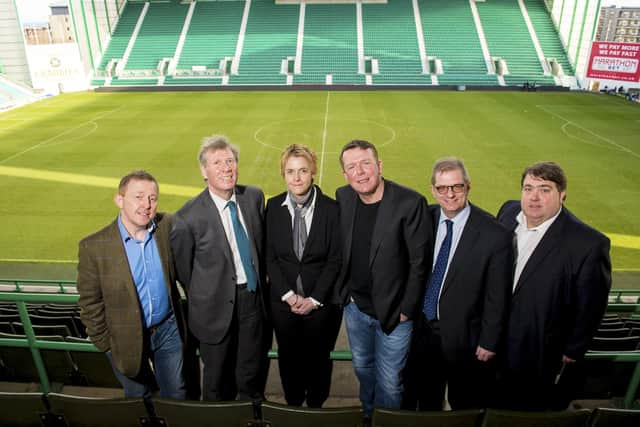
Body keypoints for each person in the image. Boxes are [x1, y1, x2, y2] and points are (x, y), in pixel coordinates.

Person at [497, 161, 611, 410]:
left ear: (562, 195)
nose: (534, 197)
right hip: (494, 338)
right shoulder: (508, 212)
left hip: (538, 348)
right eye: (528, 188)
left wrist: (573, 349)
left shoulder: (589, 243)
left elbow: (591, 304)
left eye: (544, 189)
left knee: (527, 409)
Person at [403, 157, 513, 410]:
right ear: (433, 190)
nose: (449, 194)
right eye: (442, 188)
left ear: (468, 187)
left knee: (464, 402)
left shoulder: (495, 234)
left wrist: (489, 340)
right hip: (422, 331)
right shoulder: (424, 219)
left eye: (457, 187)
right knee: (425, 398)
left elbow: (497, 295)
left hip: (466, 337)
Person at [335, 140, 432, 420]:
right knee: (363, 369)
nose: (360, 172)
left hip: (394, 315)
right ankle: (369, 416)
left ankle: (387, 421)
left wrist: (405, 311)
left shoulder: (410, 203)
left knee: (390, 381)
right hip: (355, 309)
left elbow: (419, 263)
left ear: (379, 165)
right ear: (345, 174)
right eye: (352, 167)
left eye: (366, 163)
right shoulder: (344, 196)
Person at [77, 170, 186, 410]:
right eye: (138, 197)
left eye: (153, 198)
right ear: (119, 200)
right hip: (123, 337)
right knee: (138, 398)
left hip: (167, 329)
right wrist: (105, 343)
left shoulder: (165, 226)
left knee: (176, 394)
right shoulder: (93, 246)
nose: (146, 205)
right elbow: (89, 303)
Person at [171, 135, 267, 401]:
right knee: (216, 379)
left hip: (251, 299)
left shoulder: (254, 198)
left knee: (250, 371)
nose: (226, 168)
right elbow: (184, 271)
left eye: (230, 161)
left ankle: (252, 413)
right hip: (212, 308)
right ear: (204, 171)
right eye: (217, 162)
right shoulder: (186, 217)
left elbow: (260, 245)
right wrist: (208, 292)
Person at [265, 144, 342, 407]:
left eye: (303, 171)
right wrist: (288, 295)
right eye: (290, 171)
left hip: (320, 307)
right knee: (288, 360)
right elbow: (269, 257)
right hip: (283, 305)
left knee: (319, 360)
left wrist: (315, 299)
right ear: (283, 174)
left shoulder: (331, 209)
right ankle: (294, 408)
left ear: (313, 173)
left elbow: (335, 259)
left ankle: (315, 409)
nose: (296, 178)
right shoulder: (273, 207)